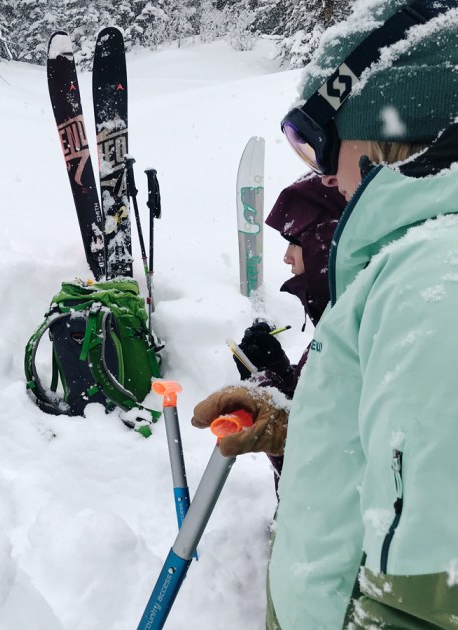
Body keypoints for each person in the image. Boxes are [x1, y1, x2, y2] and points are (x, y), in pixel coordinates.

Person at [191, 1, 458, 627]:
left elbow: (425, 598)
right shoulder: (415, 264)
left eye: (316, 143)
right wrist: (298, 423)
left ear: (383, 134)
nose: (323, 175)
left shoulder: (434, 275)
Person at [231, 174, 346, 491]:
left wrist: (261, 382)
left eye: (297, 243)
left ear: (326, 246)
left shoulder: (353, 329)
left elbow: (304, 456)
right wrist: (274, 368)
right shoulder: (341, 316)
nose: (287, 257)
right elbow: (310, 405)